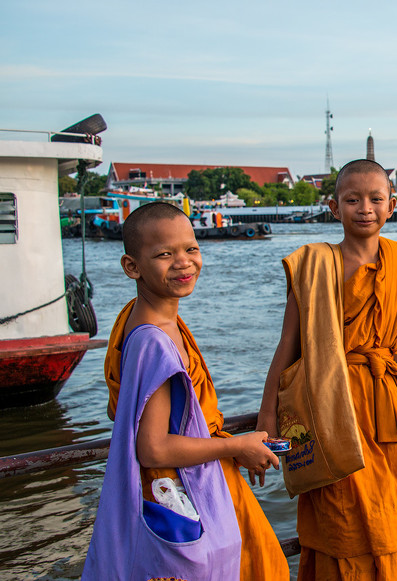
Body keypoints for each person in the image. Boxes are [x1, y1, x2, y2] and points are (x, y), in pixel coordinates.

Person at [258, 159, 397, 580]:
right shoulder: (313, 266)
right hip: (331, 408)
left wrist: (395, 366)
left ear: (392, 206)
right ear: (333, 207)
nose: (365, 208)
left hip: (391, 408)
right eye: (352, 199)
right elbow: (288, 345)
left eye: (375, 199)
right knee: (342, 513)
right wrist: (267, 414)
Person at [87, 202, 289, 580]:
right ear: (132, 266)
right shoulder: (154, 341)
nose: (183, 262)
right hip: (179, 493)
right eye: (164, 254)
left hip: (195, 476)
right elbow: (153, 448)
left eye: (191, 249)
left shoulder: (145, 316)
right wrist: (237, 446)